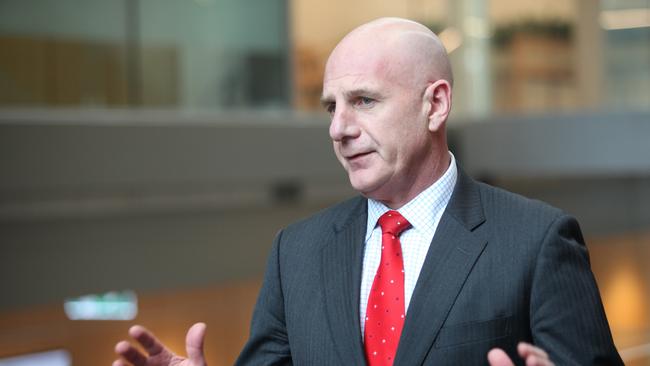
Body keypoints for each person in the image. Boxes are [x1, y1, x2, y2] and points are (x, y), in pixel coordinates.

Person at [114, 18, 623, 365]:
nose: (339, 128)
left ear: (436, 105)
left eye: (363, 101)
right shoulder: (296, 252)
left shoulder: (536, 241)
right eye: (330, 107)